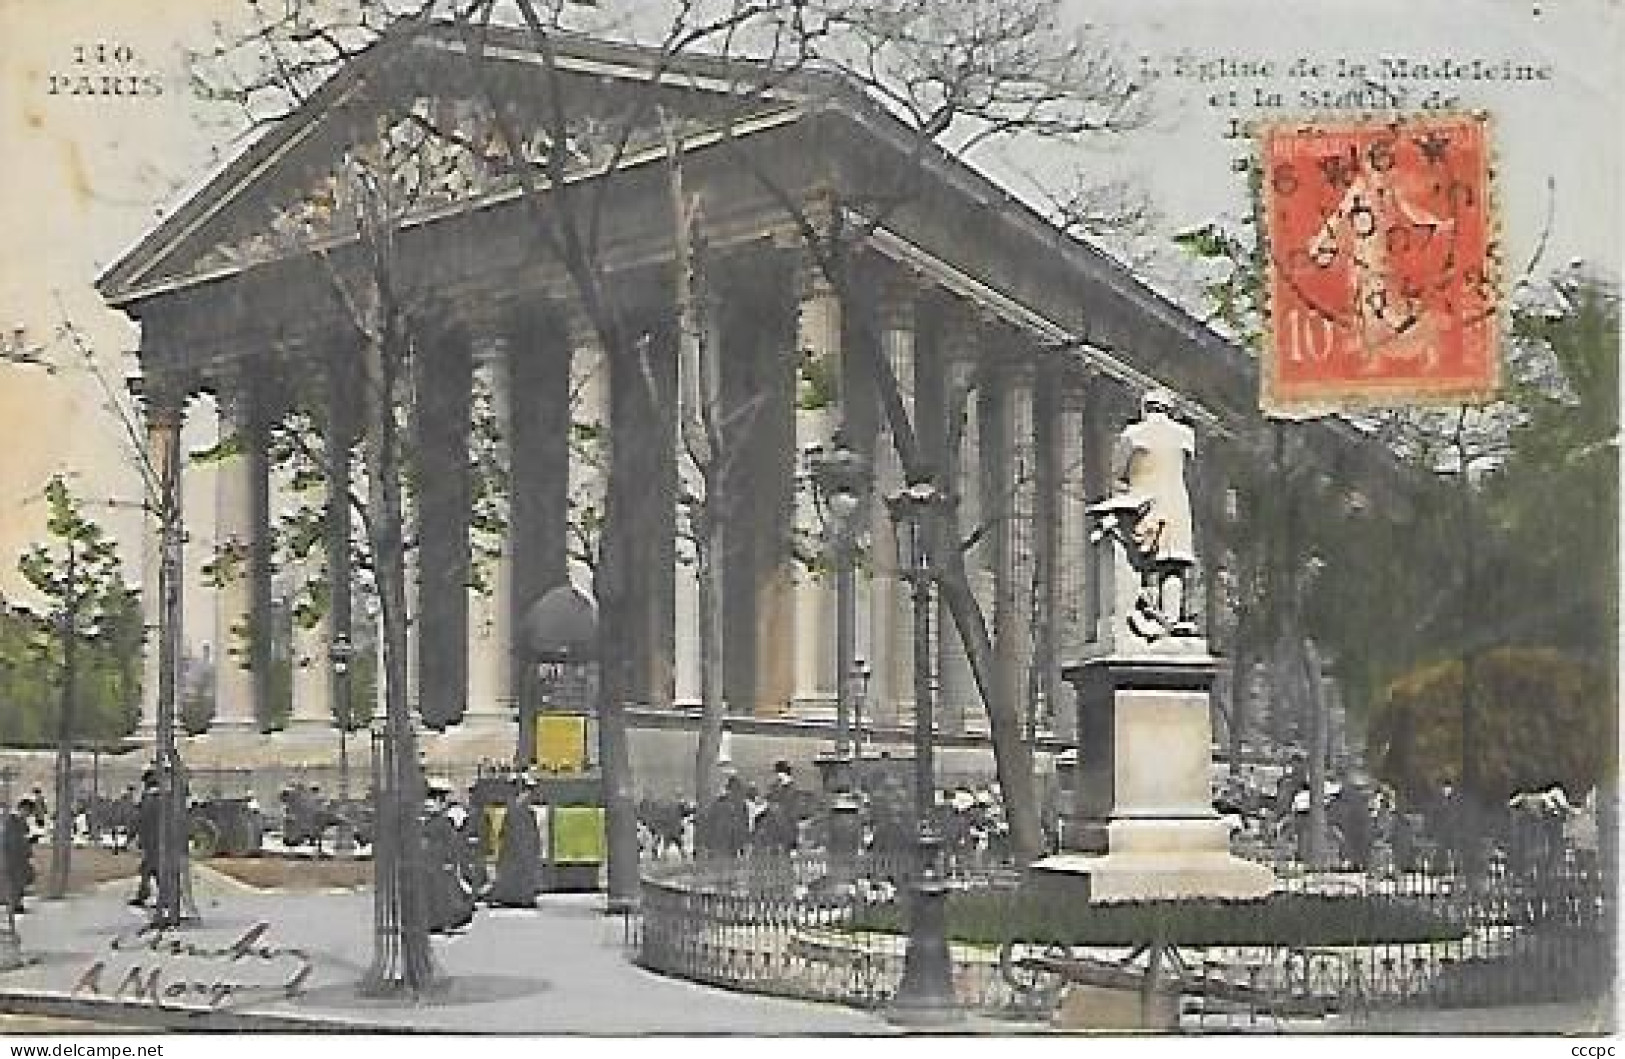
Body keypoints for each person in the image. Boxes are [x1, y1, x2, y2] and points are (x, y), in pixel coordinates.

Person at [1105, 388, 1198, 637]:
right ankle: (1170, 617)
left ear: (1145, 408)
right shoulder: (1185, 435)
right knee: (1173, 565)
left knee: (1144, 564)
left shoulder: (1133, 435)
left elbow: (1117, 470)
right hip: (1177, 505)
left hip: (1144, 504)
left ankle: (1148, 614)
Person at [487, 778, 541, 908]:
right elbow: (507, 833)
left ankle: (521, 897)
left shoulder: (525, 812)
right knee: (515, 874)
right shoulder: (515, 811)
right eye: (527, 792)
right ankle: (516, 898)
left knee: (520, 874)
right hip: (516, 850)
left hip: (522, 850)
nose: (529, 796)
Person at [129, 771, 161, 907]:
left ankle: (158, 897)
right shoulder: (163, 796)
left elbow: (141, 819)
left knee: (151, 869)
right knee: (150, 869)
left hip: (152, 840)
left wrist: (132, 836)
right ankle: (145, 894)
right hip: (161, 840)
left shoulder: (149, 798)